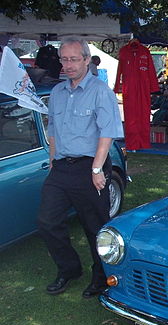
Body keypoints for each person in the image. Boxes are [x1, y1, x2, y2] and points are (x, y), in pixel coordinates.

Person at [37, 37, 124, 297]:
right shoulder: (57, 92)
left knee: (95, 226)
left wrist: (97, 169)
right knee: (47, 221)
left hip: (90, 167)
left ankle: (100, 277)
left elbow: (107, 133)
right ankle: (69, 269)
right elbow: (52, 129)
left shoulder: (100, 91)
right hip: (62, 167)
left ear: (87, 60)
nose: (69, 65)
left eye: (75, 59)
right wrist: (53, 159)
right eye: (65, 59)